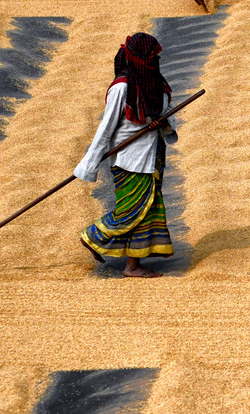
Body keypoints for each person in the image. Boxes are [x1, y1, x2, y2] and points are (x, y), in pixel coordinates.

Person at [74, 33, 176, 278]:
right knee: (130, 212)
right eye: (150, 58)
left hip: (153, 157)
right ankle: (93, 236)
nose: (154, 62)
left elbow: (169, 116)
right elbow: (106, 128)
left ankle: (132, 266)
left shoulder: (158, 84)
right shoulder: (121, 88)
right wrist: (89, 165)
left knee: (147, 212)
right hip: (128, 159)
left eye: (156, 58)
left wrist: (161, 123)